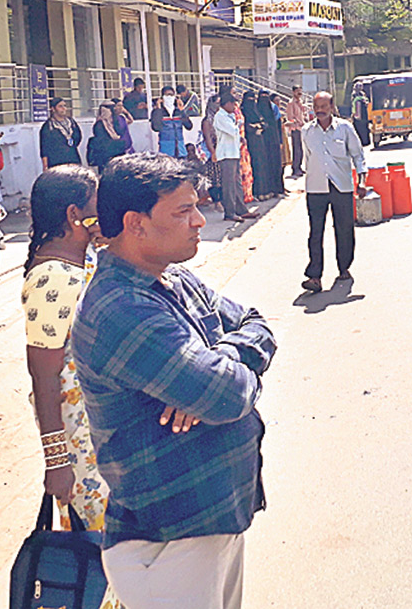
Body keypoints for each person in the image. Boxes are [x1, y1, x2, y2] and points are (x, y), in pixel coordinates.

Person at [71, 154, 277, 609]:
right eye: (183, 211)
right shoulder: (119, 309)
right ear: (135, 224)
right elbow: (227, 395)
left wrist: (220, 356)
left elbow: (258, 324)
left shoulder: (173, 279)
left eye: (197, 206)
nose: (200, 220)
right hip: (168, 544)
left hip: (211, 521)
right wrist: (213, 381)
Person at [22, 167, 123, 609]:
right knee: (98, 552)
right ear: (73, 214)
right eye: (95, 207)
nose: (103, 214)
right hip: (81, 447)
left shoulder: (78, 260)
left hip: (104, 434)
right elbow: (44, 380)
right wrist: (56, 464)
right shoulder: (50, 281)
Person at [301, 91, 367, 293]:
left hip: (342, 186)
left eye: (323, 106)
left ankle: (344, 267)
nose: (319, 110)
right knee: (315, 233)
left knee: (344, 229)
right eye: (316, 106)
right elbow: (307, 159)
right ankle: (314, 276)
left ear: (331, 107)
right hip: (316, 188)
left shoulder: (345, 128)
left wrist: (362, 181)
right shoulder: (306, 131)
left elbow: (358, 156)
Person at [214, 93, 258, 222]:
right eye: (232, 103)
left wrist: (241, 137)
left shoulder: (230, 116)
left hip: (234, 152)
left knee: (237, 183)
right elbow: (232, 131)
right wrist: (239, 124)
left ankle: (241, 210)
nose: (235, 106)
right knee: (228, 185)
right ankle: (229, 212)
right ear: (226, 104)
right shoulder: (220, 116)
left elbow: (235, 134)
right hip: (226, 154)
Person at [240, 92, 270, 199]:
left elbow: (265, 123)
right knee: (253, 167)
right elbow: (246, 126)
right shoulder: (242, 111)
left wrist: (258, 126)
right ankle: (254, 192)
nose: (251, 101)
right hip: (249, 144)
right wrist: (256, 127)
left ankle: (263, 192)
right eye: (249, 99)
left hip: (260, 143)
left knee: (262, 166)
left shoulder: (256, 110)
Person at [40, 97, 83, 169]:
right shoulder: (49, 126)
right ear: (53, 109)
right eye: (60, 106)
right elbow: (44, 148)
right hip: (57, 163)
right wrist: (45, 166)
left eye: (64, 106)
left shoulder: (71, 122)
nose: (64, 109)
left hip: (73, 159)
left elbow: (78, 137)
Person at [256, 92, 285, 198]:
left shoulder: (273, 109)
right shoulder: (256, 109)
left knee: (276, 165)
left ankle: (277, 190)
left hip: (274, 141)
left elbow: (277, 125)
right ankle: (266, 191)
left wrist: (280, 141)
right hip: (262, 143)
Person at [150, 86, 192, 159]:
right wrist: (158, 108)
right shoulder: (158, 112)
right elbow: (156, 127)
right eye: (167, 95)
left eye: (171, 95)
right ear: (162, 98)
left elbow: (189, 126)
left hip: (180, 150)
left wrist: (182, 110)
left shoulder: (178, 111)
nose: (169, 97)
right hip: (166, 150)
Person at [88, 102, 128, 173]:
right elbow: (101, 140)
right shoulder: (99, 124)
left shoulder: (116, 121)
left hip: (118, 154)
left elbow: (121, 133)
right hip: (105, 156)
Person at [200, 95, 224, 209]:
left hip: (222, 149)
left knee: (222, 177)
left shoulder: (220, 117)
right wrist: (213, 152)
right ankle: (216, 201)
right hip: (213, 151)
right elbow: (208, 138)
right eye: (217, 103)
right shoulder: (207, 120)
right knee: (214, 178)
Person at [285, 86, 307, 176]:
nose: (299, 93)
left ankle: (300, 167)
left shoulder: (300, 102)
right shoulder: (291, 103)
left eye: (300, 91)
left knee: (301, 149)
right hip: (295, 128)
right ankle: (295, 168)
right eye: (298, 92)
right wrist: (297, 122)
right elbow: (290, 117)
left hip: (301, 128)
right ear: (293, 92)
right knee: (296, 149)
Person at [350, 83, 371, 147]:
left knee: (361, 128)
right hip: (361, 114)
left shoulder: (358, 95)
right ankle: (364, 141)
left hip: (360, 115)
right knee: (362, 128)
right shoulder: (359, 95)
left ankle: (363, 142)